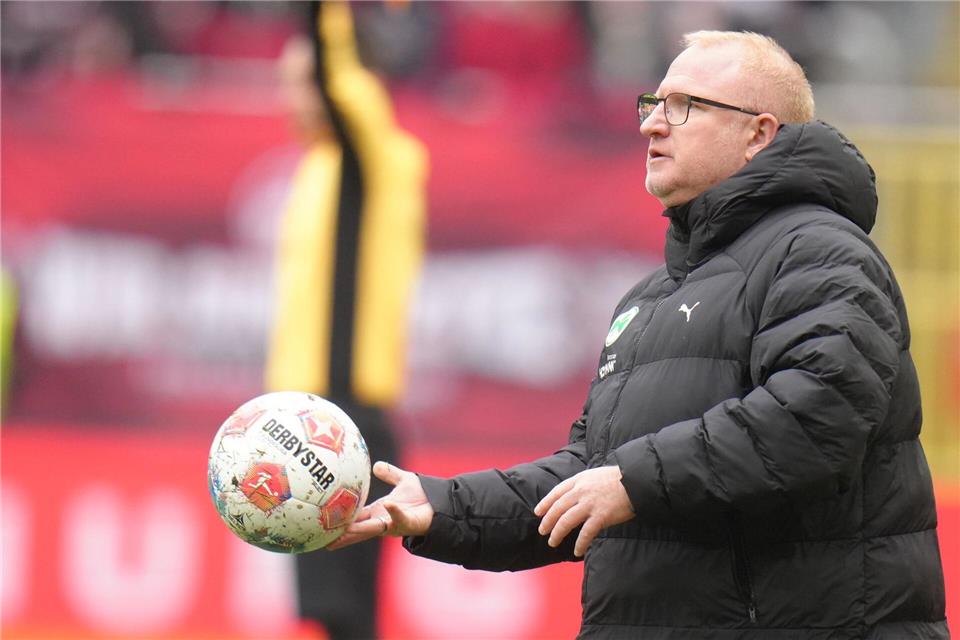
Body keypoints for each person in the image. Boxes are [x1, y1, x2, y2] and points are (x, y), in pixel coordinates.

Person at [328, 30, 949, 639]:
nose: (652, 124)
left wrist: (634, 482)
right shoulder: (651, 297)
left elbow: (818, 414)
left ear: (758, 134)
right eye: (652, 104)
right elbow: (590, 476)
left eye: (684, 106)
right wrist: (442, 507)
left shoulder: (820, 251)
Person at [264, 2, 427, 638]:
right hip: (308, 413)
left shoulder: (375, 155)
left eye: (305, 80)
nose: (293, 97)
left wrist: (325, 15)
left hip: (344, 419)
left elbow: (341, 76)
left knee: (346, 613)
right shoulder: (321, 165)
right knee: (335, 614)